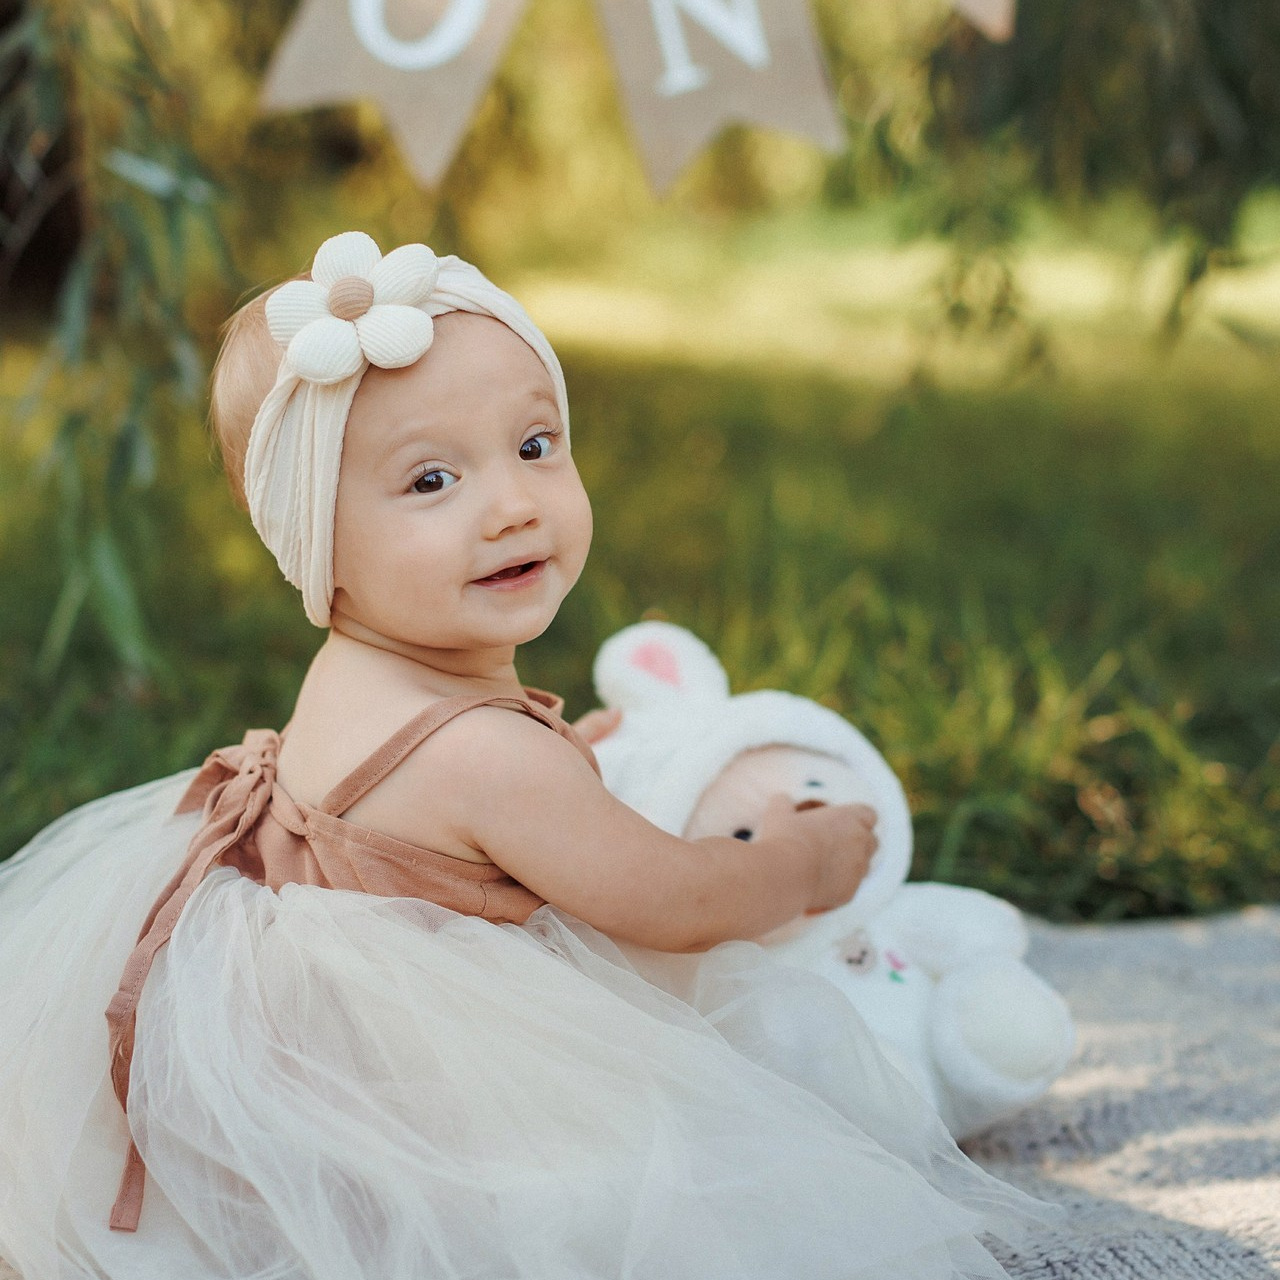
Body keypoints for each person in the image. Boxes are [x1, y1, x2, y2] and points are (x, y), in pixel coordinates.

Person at [0, 232, 1054, 1280]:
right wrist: (803, 860)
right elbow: (678, 901)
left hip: (308, 1056)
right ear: (316, 539)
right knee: (715, 1167)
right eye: (431, 479)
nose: (511, 504)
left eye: (536, 445)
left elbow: (418, 823)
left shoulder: (364, 675)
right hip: (436, 1102)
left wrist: (566, 756)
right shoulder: (488, 757)